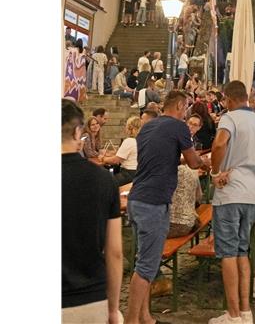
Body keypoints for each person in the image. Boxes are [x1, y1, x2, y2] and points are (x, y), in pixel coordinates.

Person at [123, 91, 208, 324]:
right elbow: (193, 162)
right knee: (146, 265)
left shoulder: (148, 126)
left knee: (145, 260)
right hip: (154, 201)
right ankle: (132, 320)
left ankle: (145, 316)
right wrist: (205, 163)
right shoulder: (178, 127)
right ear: (180, 105)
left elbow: (159, 158)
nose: (186, 112)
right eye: (186, 108)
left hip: (137, 198)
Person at [207, 81, 255, 324]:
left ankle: (233, 315)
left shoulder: (229, 118)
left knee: (228, 254)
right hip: (252, 194)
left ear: (228, 99)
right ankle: (245, 312)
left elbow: (220, 143)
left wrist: (215, 172)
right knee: (243, 251)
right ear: (246, 97)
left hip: (230, 193)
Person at [61, 99, 123, 324]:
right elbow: (114, 251)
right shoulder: (103, 180)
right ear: (79, 132)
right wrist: (113, 308)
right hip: (90, 299)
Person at [102, 115, 142, 185]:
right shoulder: (141, 140)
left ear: (130, 128)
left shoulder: (129, 141)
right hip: (138, 173)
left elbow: (116, 160)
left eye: (126, 126)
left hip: (128, 174)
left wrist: (103, 158)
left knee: (105, 183)